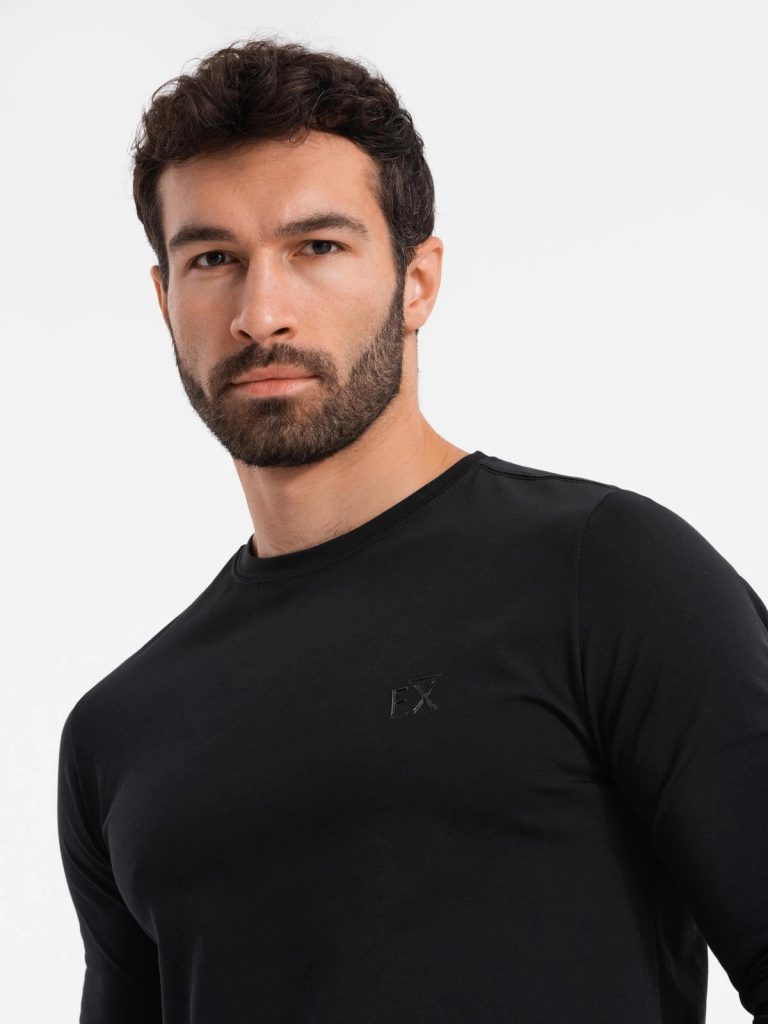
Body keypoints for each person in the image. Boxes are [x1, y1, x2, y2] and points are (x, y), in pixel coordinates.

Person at [56, 35, 768, 1024]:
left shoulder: (606, 574)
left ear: (418, 281)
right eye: (213, 259)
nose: (261, 313)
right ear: (164, 299)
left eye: (317, 247)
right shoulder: (117, 734)